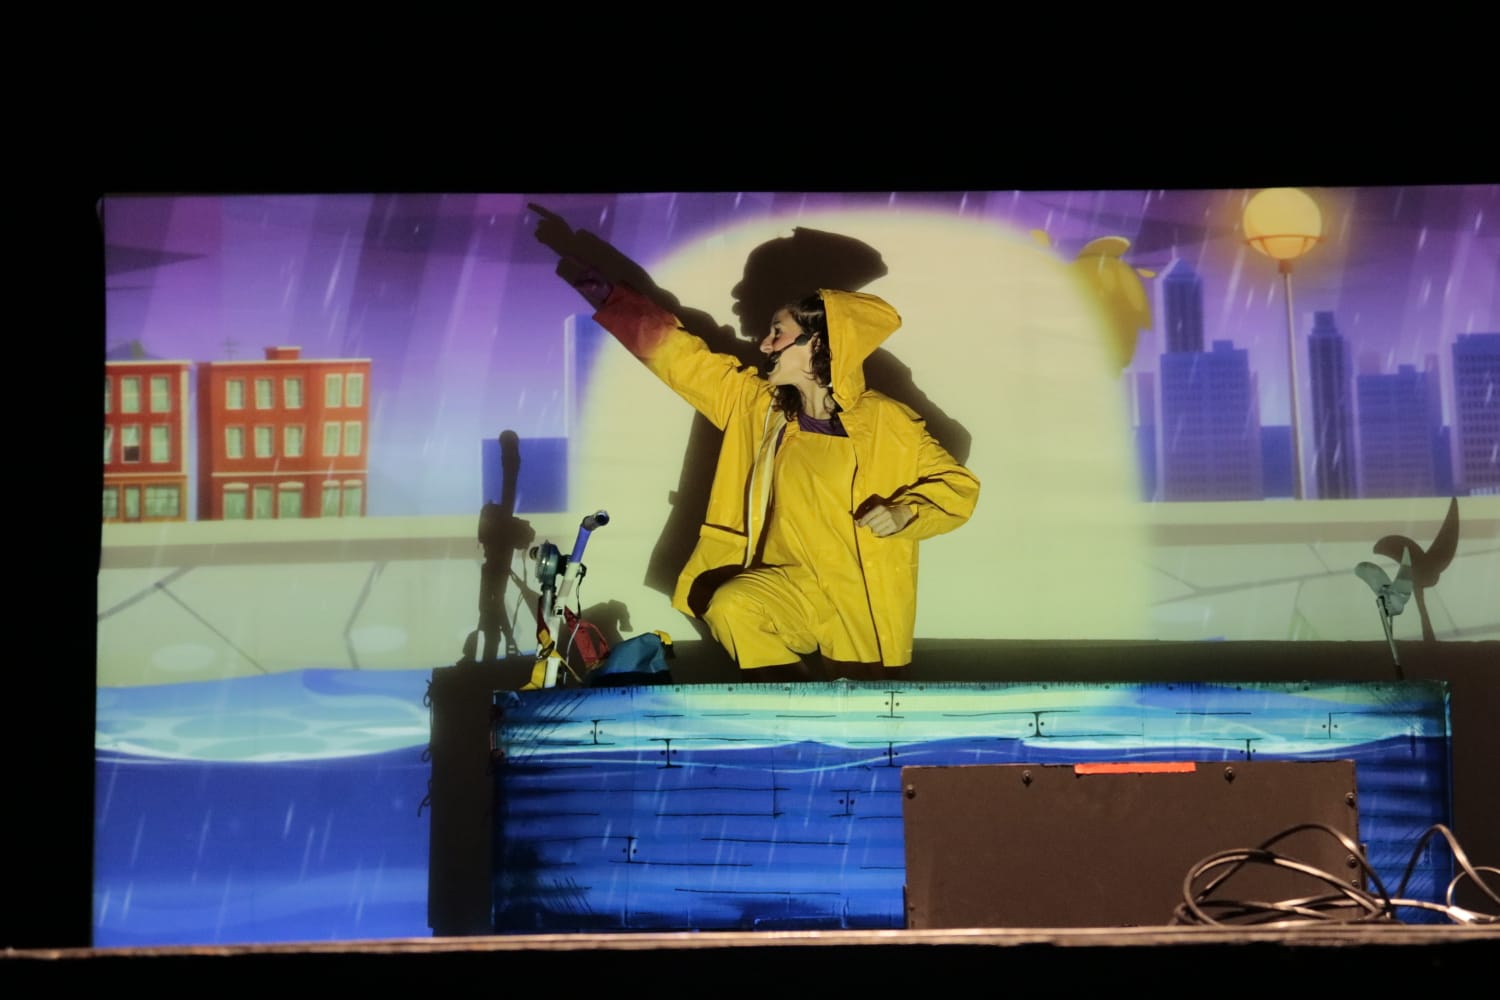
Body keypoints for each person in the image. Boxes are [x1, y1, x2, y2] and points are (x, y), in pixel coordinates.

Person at [553, 256, 979, 681]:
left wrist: (906, 511)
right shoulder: (760, 408)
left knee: (864, 704)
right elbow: (685, 361)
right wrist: (613, 301)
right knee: (731, 606)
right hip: (788, 585)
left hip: (858, 597)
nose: (765, 344)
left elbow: (959, 486)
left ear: (819, 344)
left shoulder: (887, 421)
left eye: (778, 333)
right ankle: (791, 704)